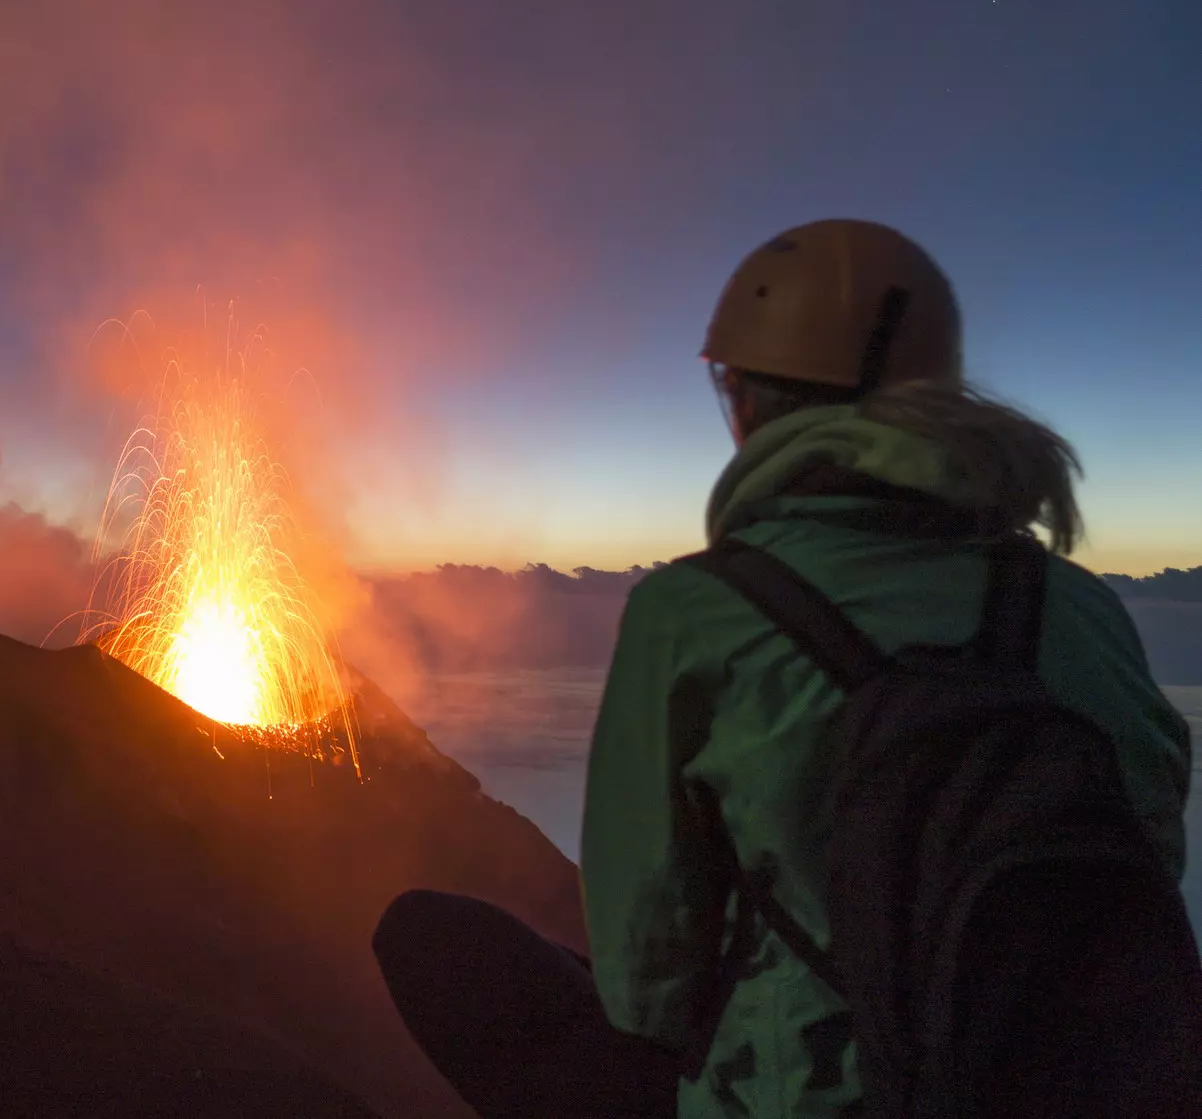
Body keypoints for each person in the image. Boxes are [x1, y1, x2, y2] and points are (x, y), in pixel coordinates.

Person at [374, 219, 1198, 1118]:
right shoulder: (1076, 605)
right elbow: (1148, 849)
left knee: (430, 940)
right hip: (1070, 1081)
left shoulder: (694, 612)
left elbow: (649, 974)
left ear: (746, 402)